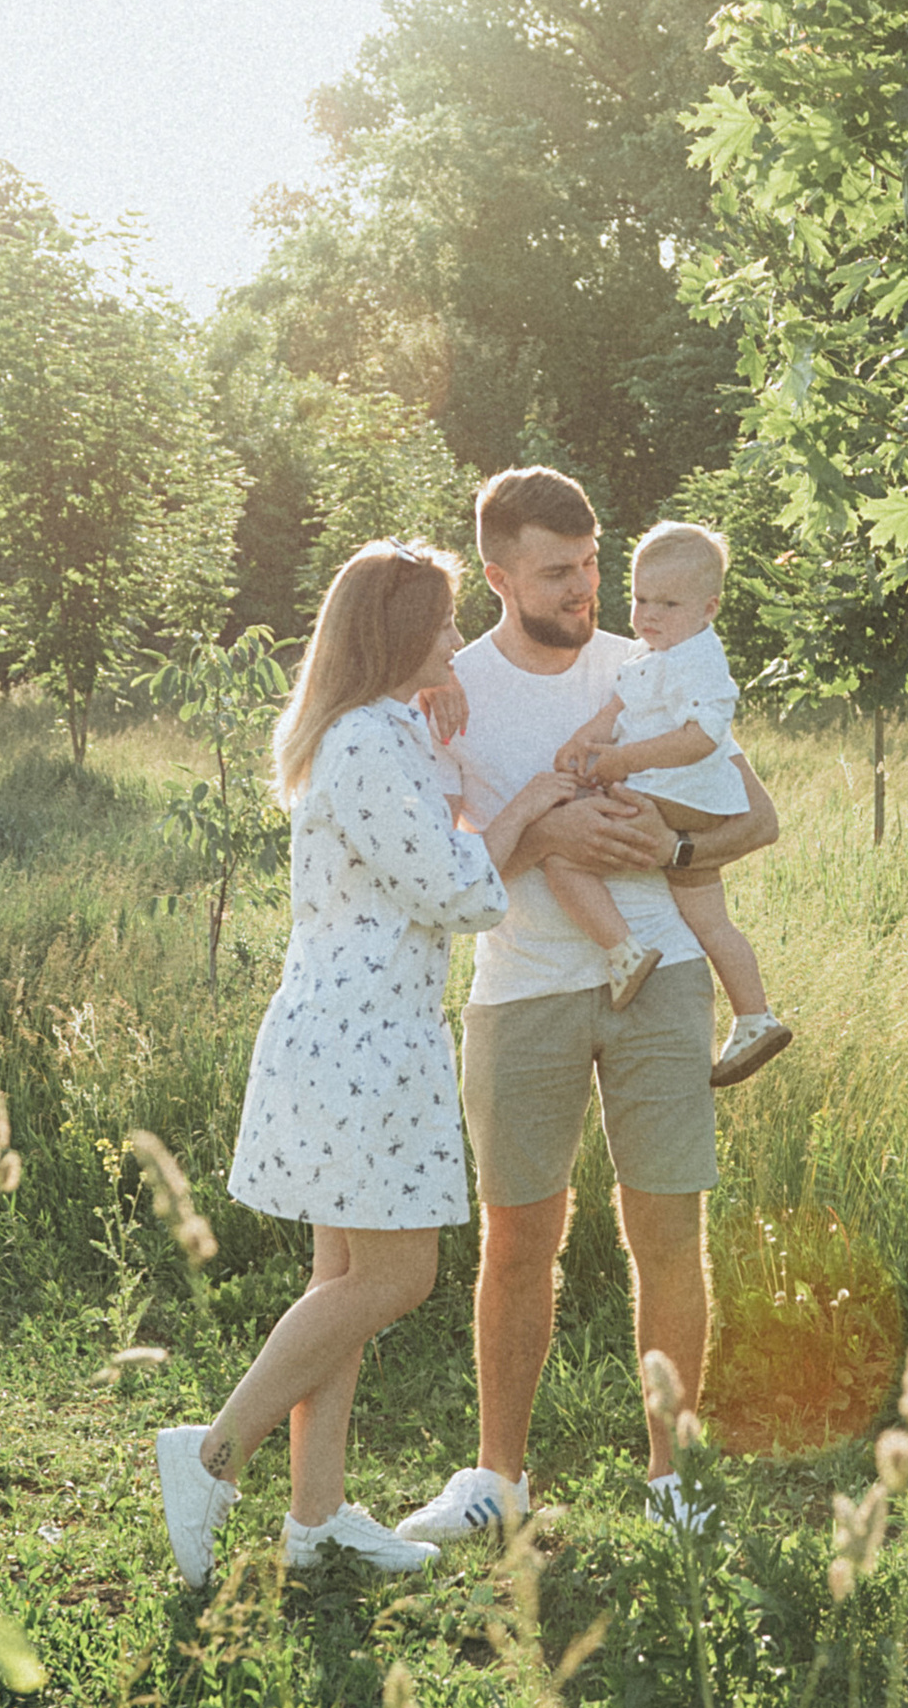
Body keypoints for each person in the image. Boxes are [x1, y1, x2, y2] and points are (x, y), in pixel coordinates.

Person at [152, 539, 577, 1590]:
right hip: (362, 1044)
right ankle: (211, 1451)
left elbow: (431, 864)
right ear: (395, 634)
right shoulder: (368, 744)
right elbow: (463, 891)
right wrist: (528, 805)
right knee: (397, 1273)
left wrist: (452, 762)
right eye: (437, 622)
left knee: (341, 1278)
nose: (452, 638)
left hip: (347, 1035)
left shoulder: (376, 734)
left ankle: (318, 1515)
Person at [396, 465, 780, 1551]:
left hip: (660, 981)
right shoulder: (450, 692)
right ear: (499, 572)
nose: (588, 587)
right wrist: (547, 834)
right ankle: (496, 1480)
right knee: (518, 1238)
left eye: (594, 563)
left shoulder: (655, 663)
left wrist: (674, 848)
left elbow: (757, 818)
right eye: (559, 570)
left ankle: (670, 1479)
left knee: (669, 1228)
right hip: (522, 990)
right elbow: (438, 863)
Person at [541, 516, 792, 1087]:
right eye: (640, 598)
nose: (648, 615)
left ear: (709, 608)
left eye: (669, 604)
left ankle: (624, 950)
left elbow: (704, 735)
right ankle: (755, 1017)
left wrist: (622, 762)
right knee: (711, 921)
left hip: (676, 795)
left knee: (563, 856)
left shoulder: (699, 660)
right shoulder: (655, 654)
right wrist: (586, 740)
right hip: (694, 804)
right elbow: (617, 711)